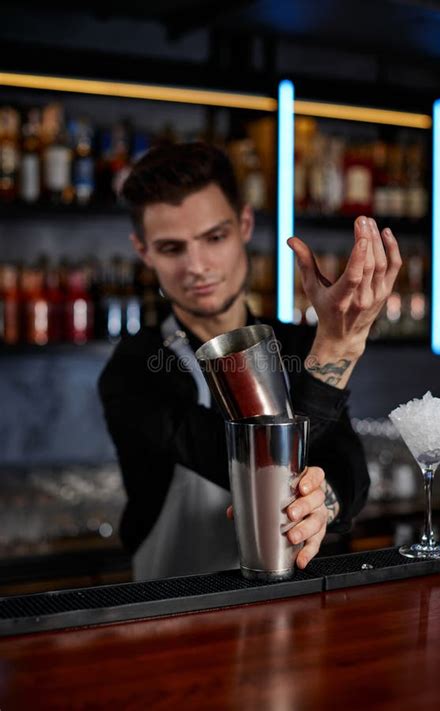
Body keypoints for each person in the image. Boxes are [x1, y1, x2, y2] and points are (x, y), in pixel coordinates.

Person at [98, 142, 402, 581]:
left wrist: (321, 503)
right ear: (144, 251)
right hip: (170, 613)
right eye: (171, 248)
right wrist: (338, 348)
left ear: (243, 224)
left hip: (291, 602)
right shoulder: (135, 368)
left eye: (214, 237)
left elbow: (348, 465)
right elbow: (245, 459)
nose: (197, 266)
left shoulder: (297, 343)